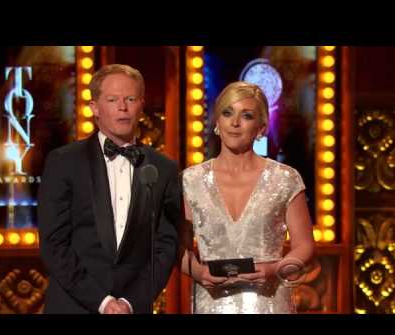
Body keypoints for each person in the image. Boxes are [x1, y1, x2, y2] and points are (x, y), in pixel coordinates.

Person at [38, 64, 180, 314]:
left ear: (141, 105)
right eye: (112, 99)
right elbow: (54, 244)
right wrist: (103, 303)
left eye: (130, 99)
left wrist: (129, 302)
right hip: (74, 306)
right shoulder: (64, 162)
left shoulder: (163, 168)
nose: (122, 107)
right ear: (94, 107)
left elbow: (165, 247)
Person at [181, 81, 315, 314]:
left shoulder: (285, 179)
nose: (234, 123)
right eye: (227, 113)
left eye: (247, 115)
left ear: (261, 127)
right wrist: (197, 271)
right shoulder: (191, 180)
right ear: (217, 121)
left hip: (269, 303)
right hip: (210, 304)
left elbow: (304, 246)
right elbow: (177, 248)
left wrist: (275, 269)